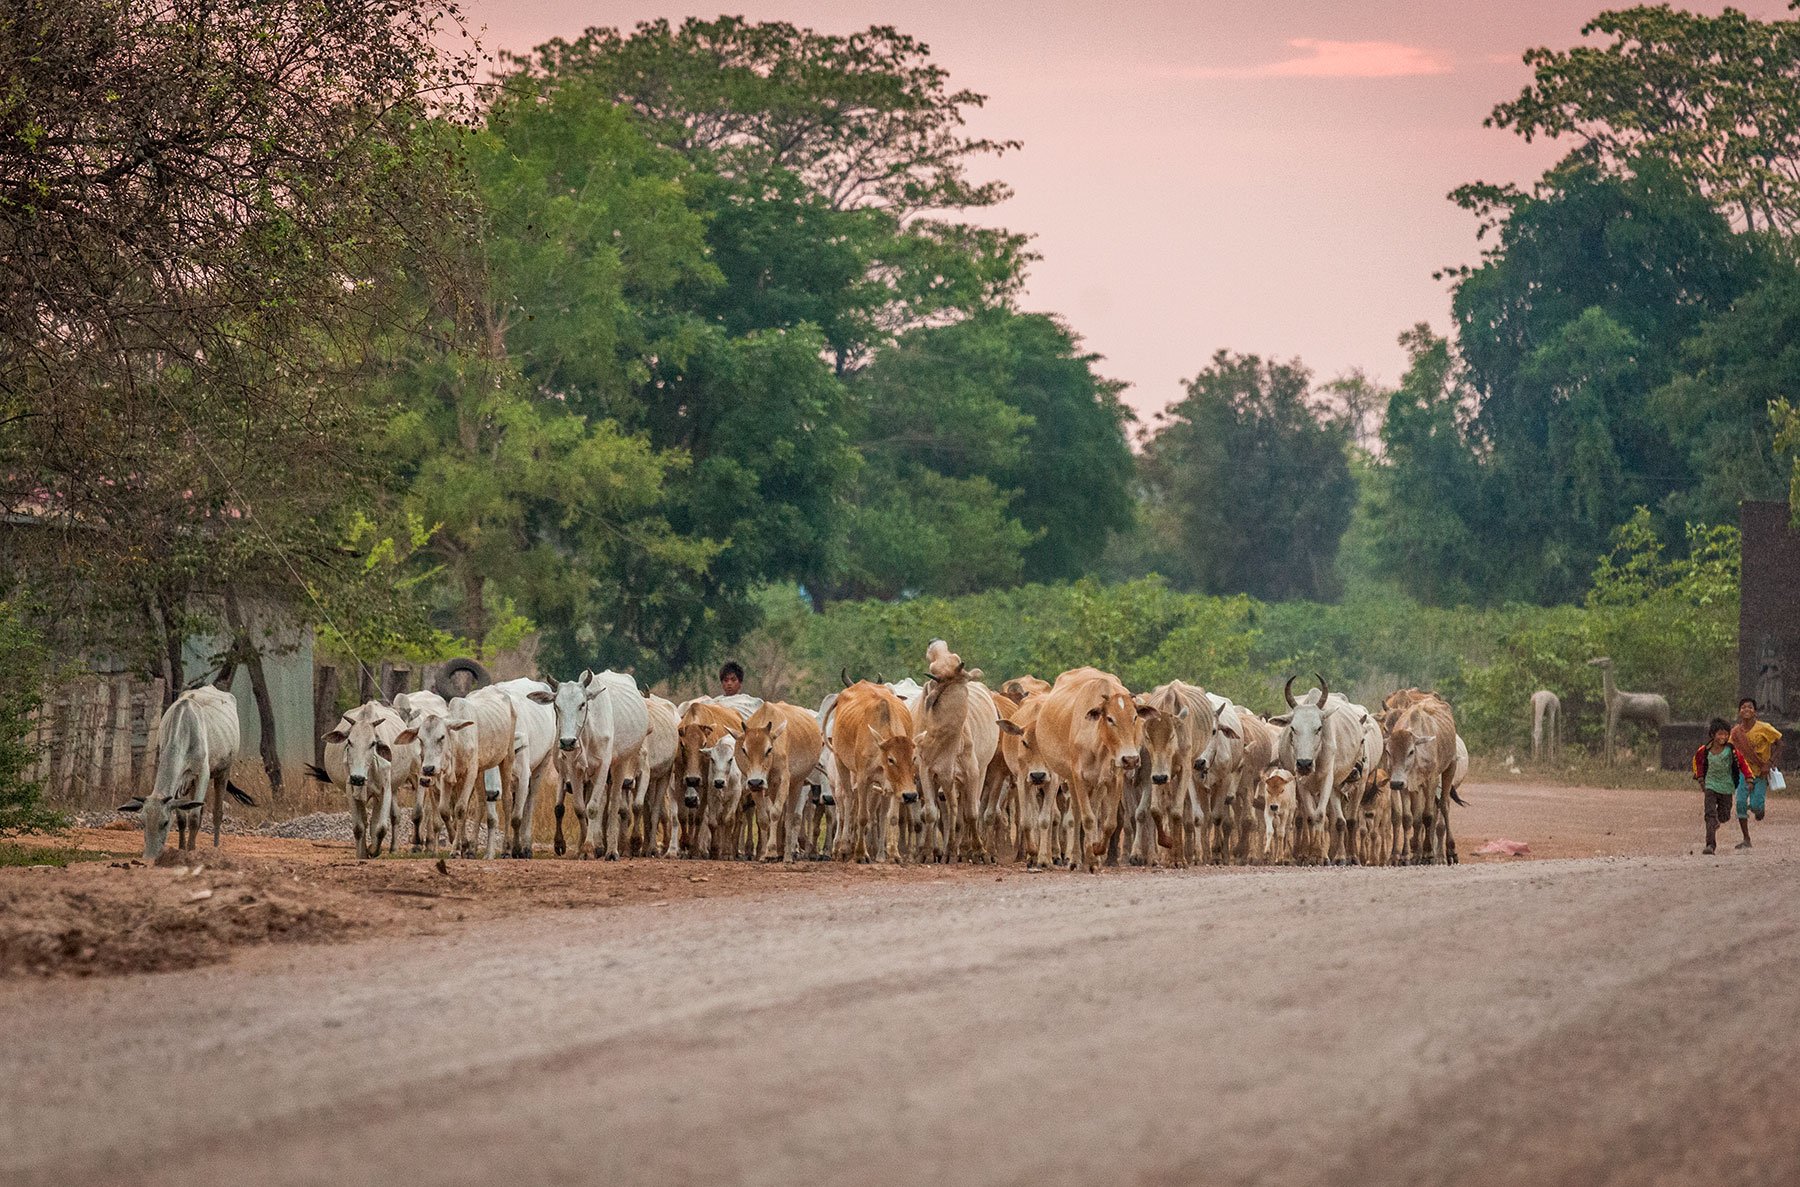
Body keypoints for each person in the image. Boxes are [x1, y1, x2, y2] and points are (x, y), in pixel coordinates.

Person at [1692, 718, 1752, 855]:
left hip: (1726, 787)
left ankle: (1716, 821)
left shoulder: (1732, 751)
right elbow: (1698, 762)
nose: (1723, 737)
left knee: (1724, 816)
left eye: (1726, 734)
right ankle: (1710, 845)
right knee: (1710, 815)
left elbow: (1742, 764)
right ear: (1712, 735)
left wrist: (1749, 778)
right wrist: (1701, 779)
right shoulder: (1704, 750)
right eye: (1720, 734)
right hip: (1710, 786)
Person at [1729, 696, 1782, 830]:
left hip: (1760, 772)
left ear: (1755, 712)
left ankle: (1759, 808)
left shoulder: (1764, 728)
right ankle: (1746, 838)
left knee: (1756, 806)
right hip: (1743, 772)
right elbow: (1729, 749)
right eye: (1743, 707)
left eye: (1750, 707)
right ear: (1739, 712)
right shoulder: (1736, 732)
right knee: (1740, 802)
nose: (1746, 709)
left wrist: (1769, 763)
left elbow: (1780, 744)